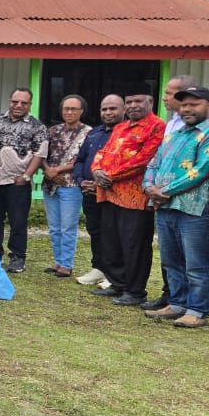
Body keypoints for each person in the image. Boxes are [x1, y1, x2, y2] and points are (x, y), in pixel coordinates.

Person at [140, 75, 209, 311]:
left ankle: (197, 309)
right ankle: (176, 303)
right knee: (171, 261)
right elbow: (153, 163)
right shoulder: (174, 134)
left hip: (193, 210)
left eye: (194, 104)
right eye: (184, 105)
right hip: (165, 207)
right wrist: (148, 187)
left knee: (196, 264)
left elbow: (200, 171)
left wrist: (161, 191)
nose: (187, 109)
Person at [90, 91, 165, 306]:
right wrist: (96, 170)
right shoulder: (121, 127)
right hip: (110, 194)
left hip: (135, 197)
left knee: (135, 245)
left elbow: (144, 159)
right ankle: (117, 283)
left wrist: (110, 176)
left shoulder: (156, 127)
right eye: (129, 102)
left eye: (138, 101)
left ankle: (135, 291)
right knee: (111, 242)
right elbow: (102, 153)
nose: (133, 105)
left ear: (150, 102)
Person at [0, 88, 47, 273]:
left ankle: (18, 257)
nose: (18, 106)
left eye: (23, 103)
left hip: (17, 183)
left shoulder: (36, 126)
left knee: (18, 221)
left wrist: (26, 176)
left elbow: (40, 153)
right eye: (15, 102)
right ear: (9, 101)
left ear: (30, 104)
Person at [73, 95, 124, 287]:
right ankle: (98, 268)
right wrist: (81, 181)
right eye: (104, 109)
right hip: (89, 193)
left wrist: (102, 183)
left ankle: (114, 275)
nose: (108, 113)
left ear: (123, 110)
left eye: (113, 109)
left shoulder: (126, 134)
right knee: (95, 230)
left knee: (113, 233)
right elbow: (80, 160)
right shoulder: (94, 133)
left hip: (113, 194)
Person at [41, 95, 91, 277]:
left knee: (67, 226)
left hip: (71, 186)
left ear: (81, 111)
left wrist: (59, 169)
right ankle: (58, 261)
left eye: (73, 109)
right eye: (66, 109)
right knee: (54, 226)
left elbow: (83, 159)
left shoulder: (88, 133)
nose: (69, 112)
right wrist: (49, 172)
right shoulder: (52, 131)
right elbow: (41, 155)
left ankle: (67, 265)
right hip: (50, 184)